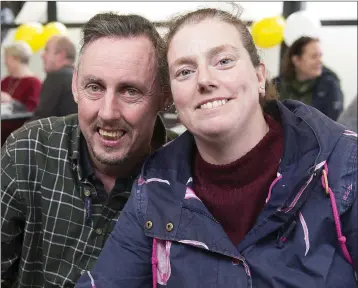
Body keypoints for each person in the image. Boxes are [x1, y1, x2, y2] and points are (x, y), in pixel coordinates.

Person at [76, 6, 358, 288]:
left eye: (223, 61)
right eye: (185, 71)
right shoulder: (157, 184)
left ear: (260, 77)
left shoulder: (343, 166)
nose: (204, 80)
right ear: (172, 96)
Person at [1, 12, 175, 287]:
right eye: (94, 87)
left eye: (130, 91)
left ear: (165, 96)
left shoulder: (186, 175)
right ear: (75, 87)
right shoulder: (29, 150)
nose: (107, 113)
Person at [273, 36, 344, 121]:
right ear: (296, 60)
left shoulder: (330, 85)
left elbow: (334, 124)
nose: (320, 61)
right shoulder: (278, 85)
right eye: (314, 56)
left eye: (320, 56)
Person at [30, 35, 78, 121]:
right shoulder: (79, 77)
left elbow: (41, 119)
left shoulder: (56, 77)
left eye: (46, 50)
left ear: (60, 55)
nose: (42, 55)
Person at [1, 41, 42, 111]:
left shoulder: (34, 83)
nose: (5, 62)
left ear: (16, 59)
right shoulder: (6, 80)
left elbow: (32, 110)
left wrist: (11, 101)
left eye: (7, 58)